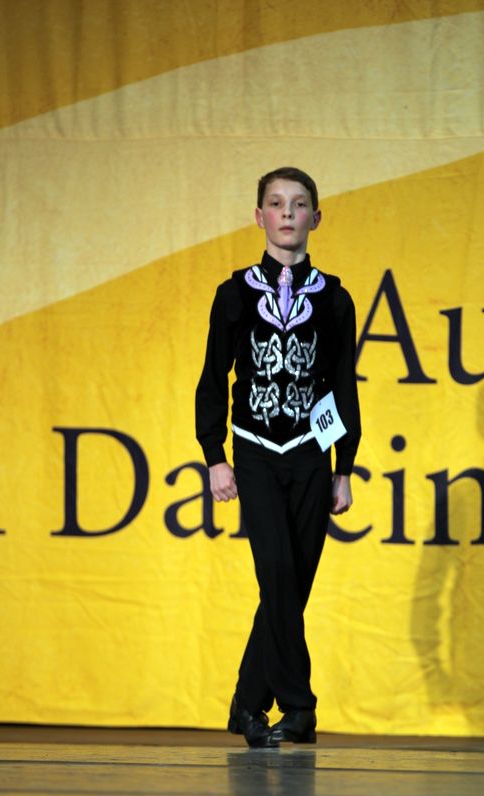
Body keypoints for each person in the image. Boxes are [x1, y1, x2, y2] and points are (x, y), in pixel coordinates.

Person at [195, 167, 361, 748]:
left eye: (299, 204)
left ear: (316, 217)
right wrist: (214, 455)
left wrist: (344, 467)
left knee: (293, 586)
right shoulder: (234, 294)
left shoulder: (334, 298)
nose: (287, 213)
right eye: (276, 203)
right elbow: (213, 378)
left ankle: (247, 706)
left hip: (312, 455)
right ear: (259, 216)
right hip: (257, 452)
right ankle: (299, 706)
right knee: (277, 574)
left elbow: (343, 385)